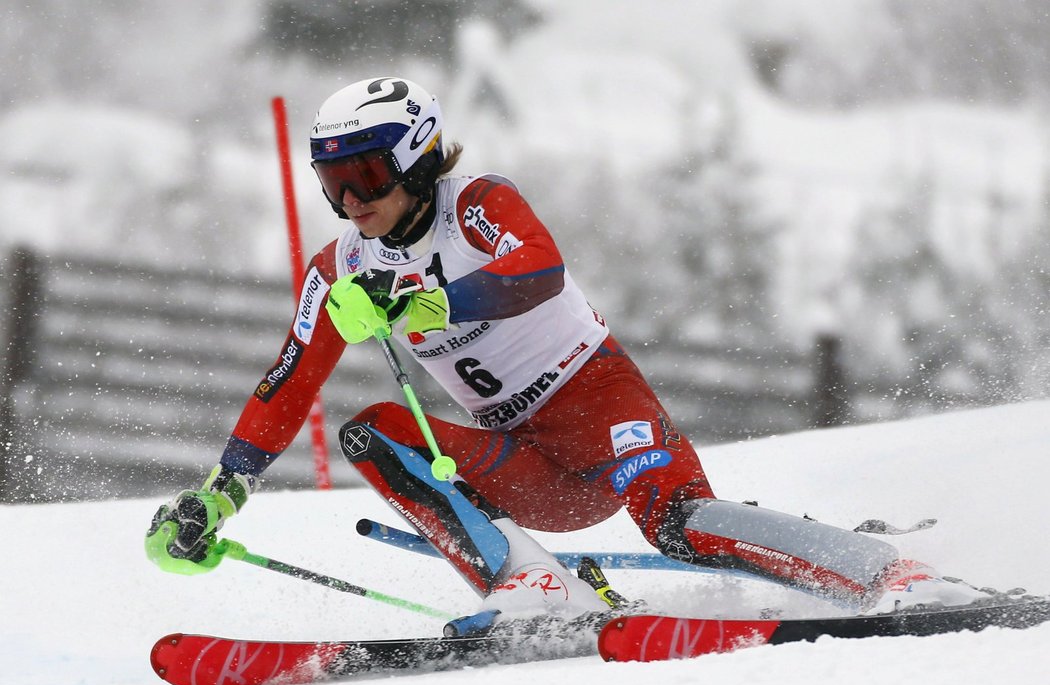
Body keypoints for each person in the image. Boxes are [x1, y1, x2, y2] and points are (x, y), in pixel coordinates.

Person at [146, 77, 987, 630]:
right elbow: (287, 384)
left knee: (680, 526)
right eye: (332, 183)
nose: (349, 201)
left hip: (595, 400)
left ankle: (890, 570)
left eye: (364, 175)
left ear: (417, 157)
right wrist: (222, 492)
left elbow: (537, 270)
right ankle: (540, 589)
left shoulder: (476, 203)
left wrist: (437, 300)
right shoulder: (343, 270)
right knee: (374, 428)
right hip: (522, 463)